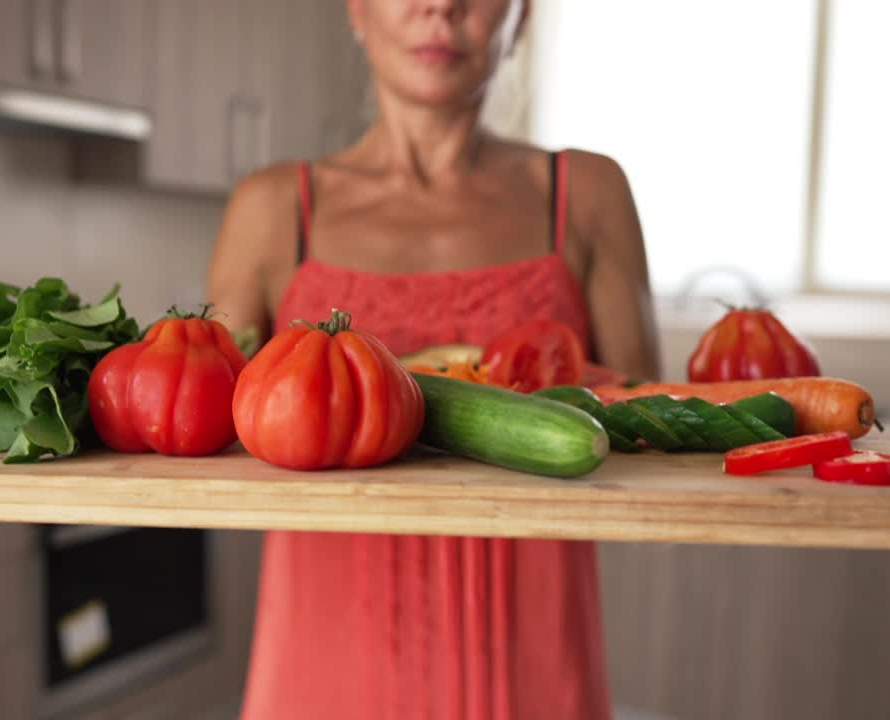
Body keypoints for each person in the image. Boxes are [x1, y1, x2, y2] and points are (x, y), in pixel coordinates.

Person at [207, 0, 659, 717]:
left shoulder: (586, 195)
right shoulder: (270, 209)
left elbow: (646, 427)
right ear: (356, 10)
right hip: (325, 652)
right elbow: (214, 429)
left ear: (522, 20)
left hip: (534, 652)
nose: (440, 6)